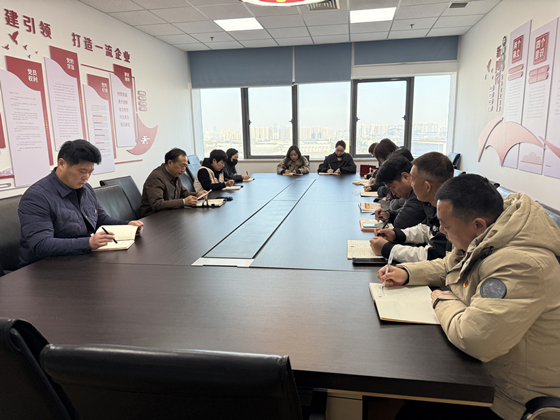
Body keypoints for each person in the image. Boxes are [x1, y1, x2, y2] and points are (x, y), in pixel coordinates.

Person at [379, 174, 560, 420]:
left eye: (446, 226)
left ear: (478, 225)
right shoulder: (490, 234)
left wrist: (442, 300)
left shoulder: (522, 265)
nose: (442, 232)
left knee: (413, 409)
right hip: (486, 372)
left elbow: (475, 338)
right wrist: (407, 273)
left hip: (511, 399)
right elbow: (450, 266)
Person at [18, 139, 143, 268]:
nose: (86, 177)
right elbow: (41, 244)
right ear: (61, 164)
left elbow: (101, 219)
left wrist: (128, 226)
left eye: (90, 172)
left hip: (80, 259)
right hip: (45, 268)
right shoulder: (37, 197)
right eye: (82, 171)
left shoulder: (86, 189)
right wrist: (88, 243)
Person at [369, 152, 453, 262]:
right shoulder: (433, 204)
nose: (411, 184)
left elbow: (433, 254)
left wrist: (388, 249)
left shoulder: (451, 212)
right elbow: (426, 230)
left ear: (427, 187)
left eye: (413, 180)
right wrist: (396, 234)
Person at [140, 148, 207, 217]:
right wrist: (183, 202)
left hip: (170, 213)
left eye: (185, 166)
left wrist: (197, 195)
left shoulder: (175, 174)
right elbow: (157, 204)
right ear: (170, 163)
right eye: (182, 166)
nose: (184, 170)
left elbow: (184, 193)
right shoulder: (156, 177)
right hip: (153, 217)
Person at [372, 155, 426, 229]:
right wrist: (389, 214)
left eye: (393, 187)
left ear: (405, 177)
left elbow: (400, 224)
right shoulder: (413, 192)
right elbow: (405, 211)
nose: (393, 193)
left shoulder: (419, 194)